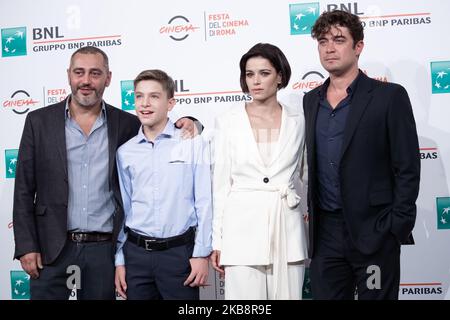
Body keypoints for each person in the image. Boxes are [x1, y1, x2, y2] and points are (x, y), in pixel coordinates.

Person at [13, 46, 198, 300]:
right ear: (69, 75)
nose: (86, 81)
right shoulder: (38, 121)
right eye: (79, 72)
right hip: (51, 249)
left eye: (95, 73)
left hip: (103, 251)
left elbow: (160, 127)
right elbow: (23, 189)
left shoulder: (128, 124)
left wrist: (192, 121)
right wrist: (26, 246)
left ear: (108, 78)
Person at [303, 10, 420, 299]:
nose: (329, 48)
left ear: (358, 47)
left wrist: (395, 227)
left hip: (375, 233)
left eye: (339, 40)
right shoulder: (310, 100)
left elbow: (407, 166)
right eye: (322, 41)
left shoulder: (389, 96)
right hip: (326, 234)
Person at [210, 43, 308, 300]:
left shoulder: (299, 121)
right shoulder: (227, 121)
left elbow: (308, 175)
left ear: (280, 77)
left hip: (287, 229)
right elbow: (220, 185)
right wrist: (218, 241)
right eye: (249, 74)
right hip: (240, 231)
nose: (255, 80)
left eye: (264, 73)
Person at [114, 69, 212, 300]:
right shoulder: (125, 152)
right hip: (135, 257)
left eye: (154, 96)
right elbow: (123, 208)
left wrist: (201, 254)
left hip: (179, 255)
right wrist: (120, 260)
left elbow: (205, 202)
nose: (145, 104)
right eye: (139, 96)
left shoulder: (192, 143)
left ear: (170, 103)